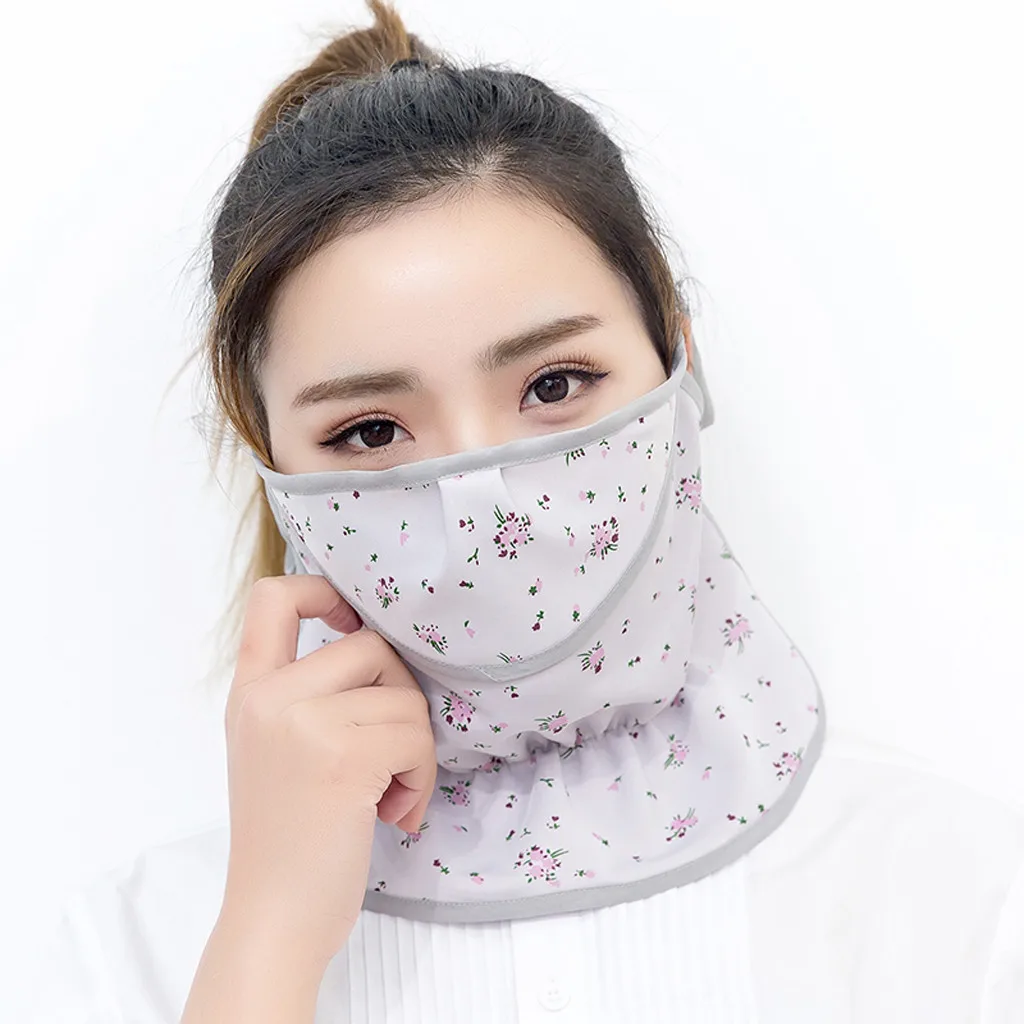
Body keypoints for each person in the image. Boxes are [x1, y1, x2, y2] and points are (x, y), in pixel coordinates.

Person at [30, 2, 1024, 1021]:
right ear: (272, 463)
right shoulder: (131, 954)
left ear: (679, 363)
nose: (480, 513)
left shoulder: (959, 902)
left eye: (554, 384)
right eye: (370, 431)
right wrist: (270, 938)